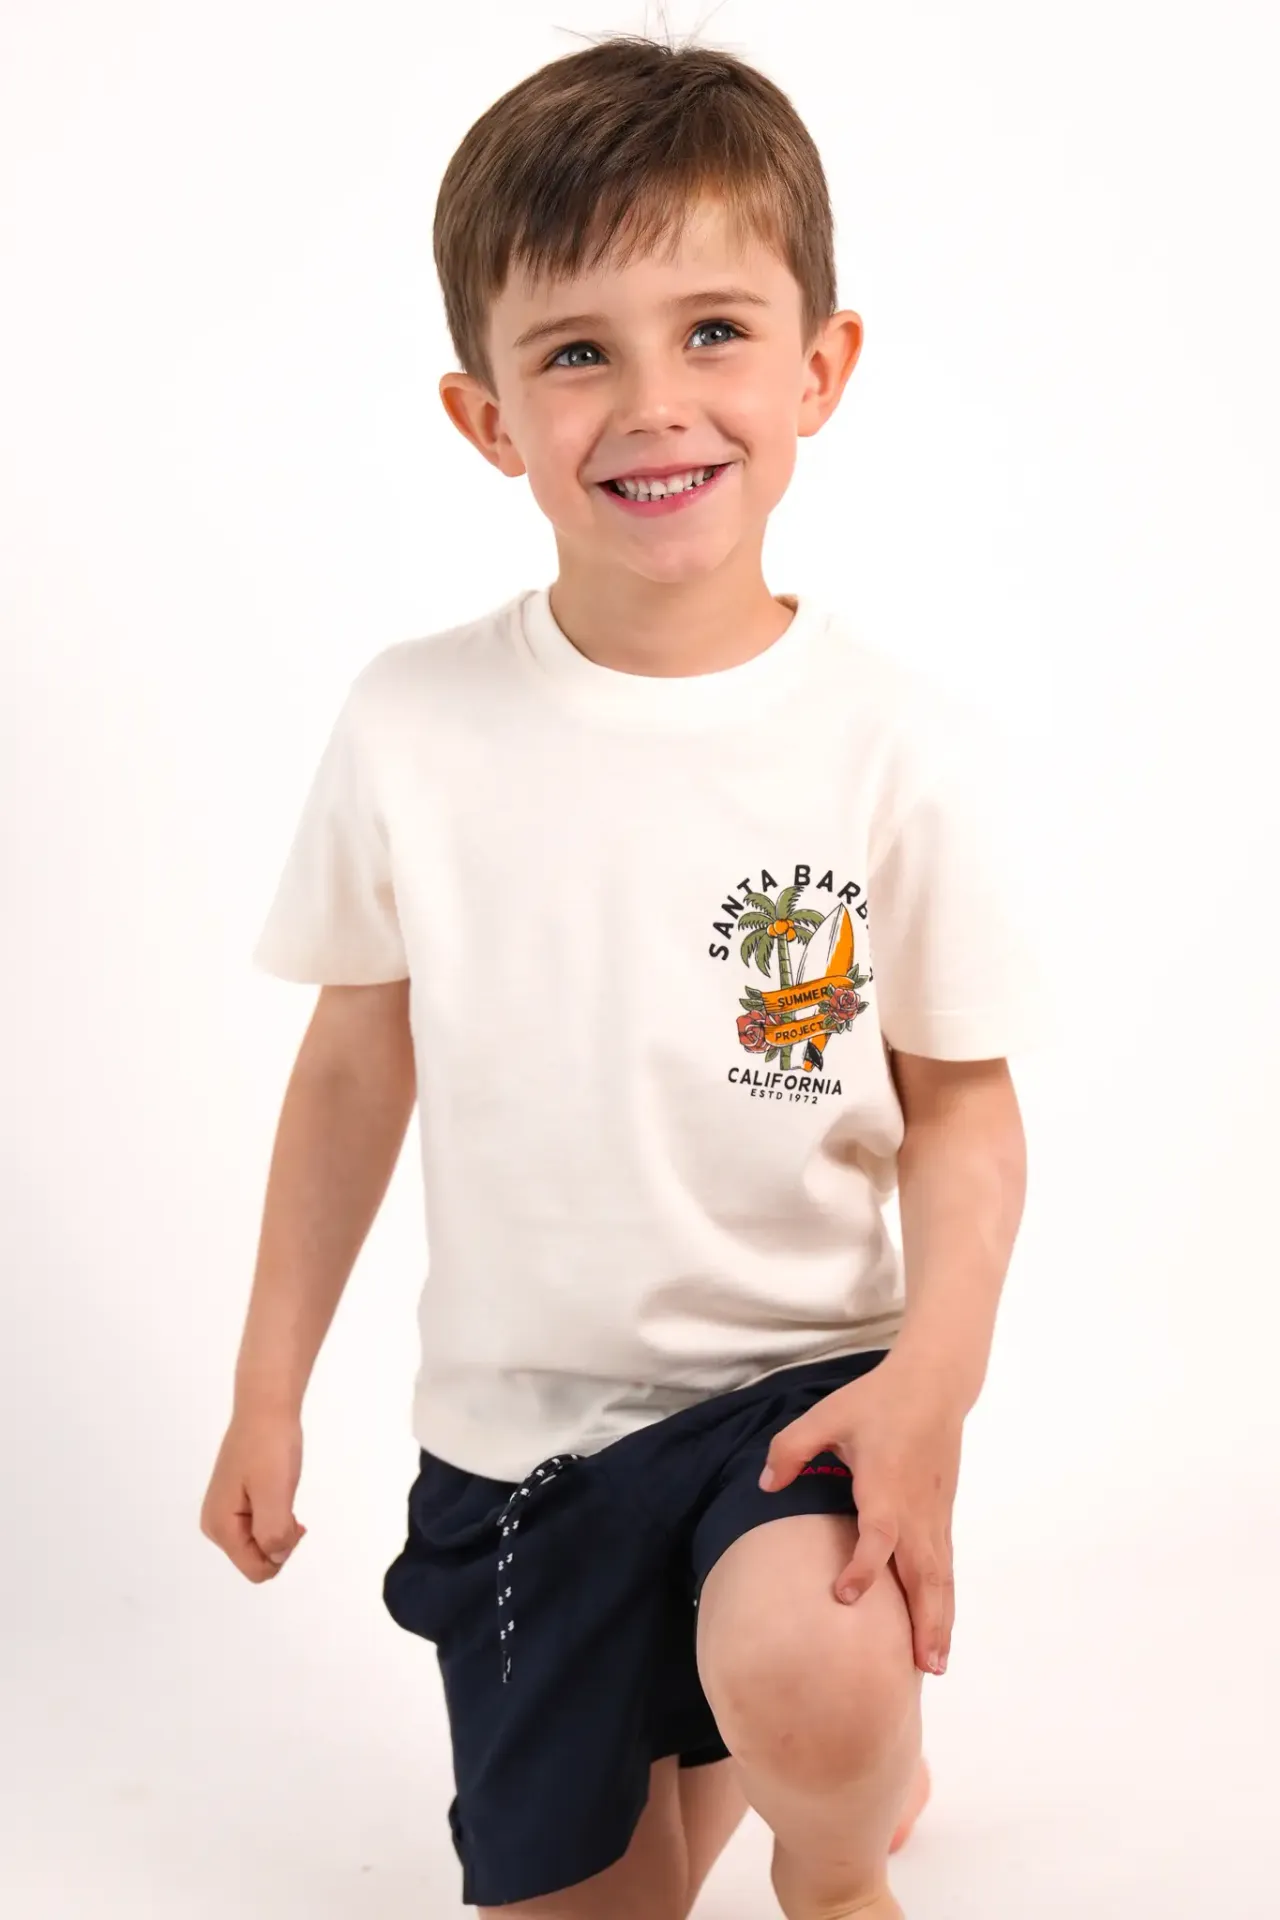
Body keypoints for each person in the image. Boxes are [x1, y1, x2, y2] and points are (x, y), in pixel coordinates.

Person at [200, 28, 1041, 1920]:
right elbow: (352, 1070)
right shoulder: (412, 726)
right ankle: (735, 1732)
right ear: (486, 415)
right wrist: (267, 1391)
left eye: (714, 331)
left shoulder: (901, 751)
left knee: (816, 1674)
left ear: (819, 368)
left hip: (794, 1389)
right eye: (577, 351)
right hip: (521, 1446)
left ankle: (837, 1842)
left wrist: (933, 1386)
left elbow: (965, 1109)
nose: (656, 406)